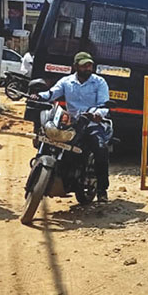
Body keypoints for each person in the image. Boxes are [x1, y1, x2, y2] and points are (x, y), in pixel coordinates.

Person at [33, 52, 112, 202]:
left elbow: (103, 104)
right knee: (48, 137)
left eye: (90, 65)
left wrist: (96, 114)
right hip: (70, 122)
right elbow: (52, 93)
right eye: (84, 65)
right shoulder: (66, 81)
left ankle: (102, 189)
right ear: (75, 66)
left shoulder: (99, 82)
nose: (88, 68)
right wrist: (38, 96)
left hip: (91, 123)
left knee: (100, 149)